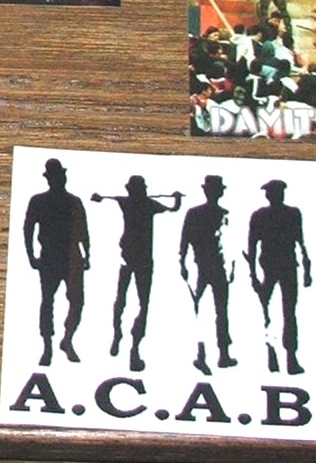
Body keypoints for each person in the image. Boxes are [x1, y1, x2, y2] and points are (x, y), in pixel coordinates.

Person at [91, 174, 182, 372]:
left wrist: (99, 198)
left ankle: (124, 339)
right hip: (141, 260)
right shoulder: (148, 204)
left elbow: (107, 198)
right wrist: (177, 198)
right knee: (139, 303)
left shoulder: (128, 202)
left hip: (131, 258)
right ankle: (128, 343)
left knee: (125, 300)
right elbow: (174, 209)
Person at [22, 158, 90, 366]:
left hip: (71, 257)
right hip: (50, 257)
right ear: (51, 179)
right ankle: (48, 347)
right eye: (57, 176)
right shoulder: (38, 201)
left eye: (62, 176)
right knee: (47, 302)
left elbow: (83, 230)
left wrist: (87, 254)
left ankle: (67, 340)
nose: (61, 179)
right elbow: (28, 228)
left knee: (76, 301)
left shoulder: (74, 201)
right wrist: (30, 255)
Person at [247, 179, 313, 375]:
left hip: (285, 267)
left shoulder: (290, 214)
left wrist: (307, 269)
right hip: (273, 267)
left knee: (284, 313)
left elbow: (300, 241)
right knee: (273, 313)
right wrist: (253, 275)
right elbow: (252, 247)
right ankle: (274, 356)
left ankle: (288, 358)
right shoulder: (262, 215)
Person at [178, 175, 237, 374]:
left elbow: (229, 242)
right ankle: (202, 356)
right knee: (205, 311)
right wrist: (183, 263)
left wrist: (232, 267)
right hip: (201, 266)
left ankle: (222, 355)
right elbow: (185, 239)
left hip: (215, 267)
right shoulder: (195, 213)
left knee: (219, 312)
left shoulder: (222, 213)